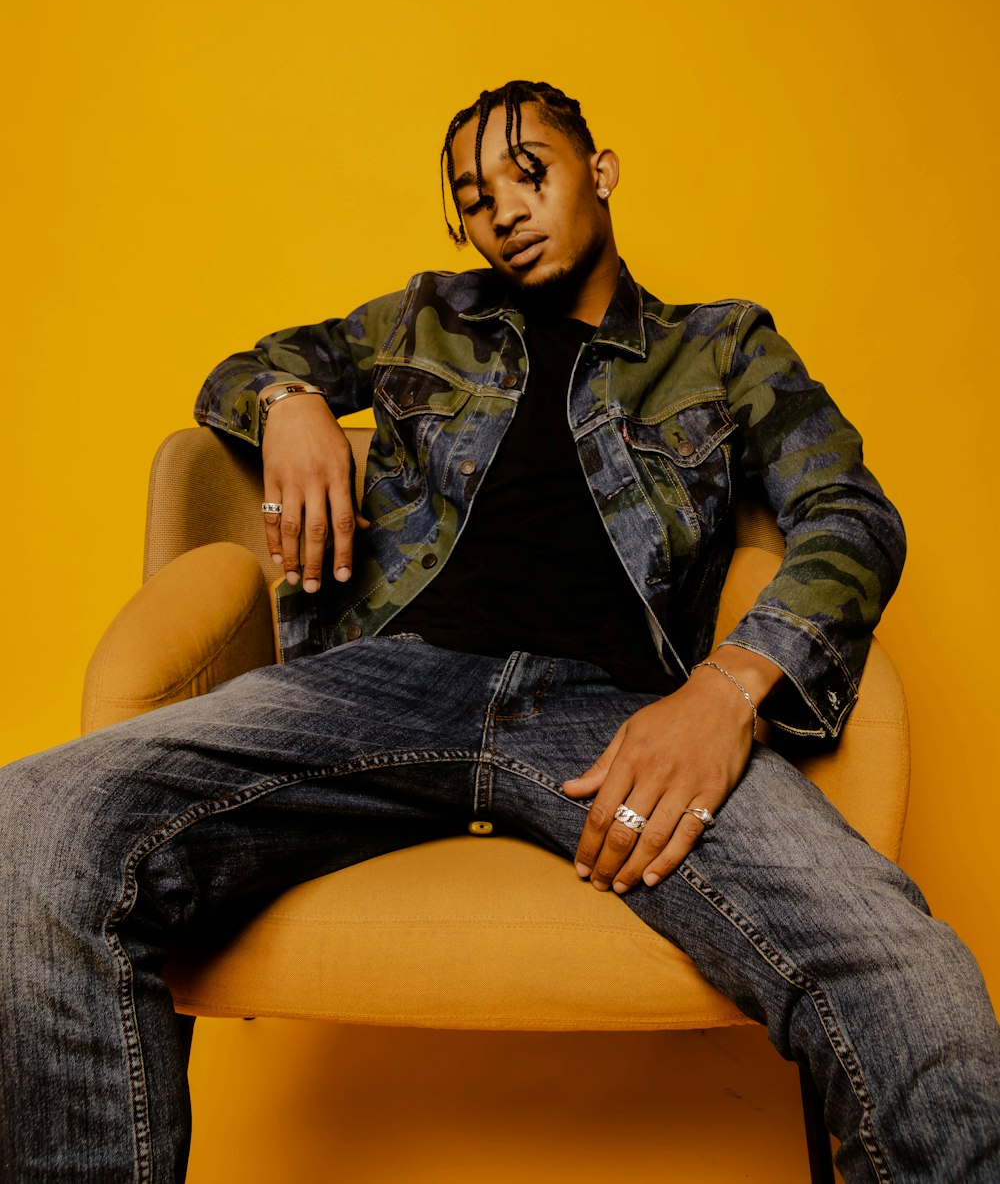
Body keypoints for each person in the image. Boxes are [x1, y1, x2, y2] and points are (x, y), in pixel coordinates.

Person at [0, 79, 997, 1182]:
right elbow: (241, 369)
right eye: (476, 197)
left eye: (532, 173)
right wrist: (289, 402)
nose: (504, 211)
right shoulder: (425, 318)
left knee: (898, 965)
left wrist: (726, 689)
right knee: (34, 818)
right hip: (379, 686)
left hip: (616, 720)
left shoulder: (721, 347)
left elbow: (849, 516)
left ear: (601, 171)